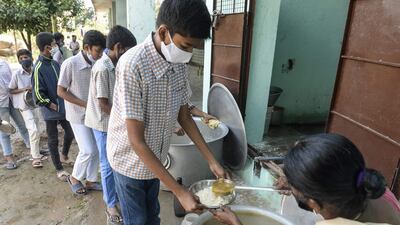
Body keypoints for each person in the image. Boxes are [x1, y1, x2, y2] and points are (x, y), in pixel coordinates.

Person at [106, 0, 228, 224]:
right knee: (138, 220)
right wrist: (179, 191)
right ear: (164, 32)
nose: (188, 54)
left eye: (193, 48)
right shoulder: (132, 65)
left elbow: (184, 116)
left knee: (152, 215)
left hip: (156, 162)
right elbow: (136, 141)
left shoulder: (178, 63)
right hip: (129, 163)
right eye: (185, 46)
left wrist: (212, 161)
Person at [211, 133, 399, 225]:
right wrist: (299, 185)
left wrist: (236, 224)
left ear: (314, 205)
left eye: (296, 193)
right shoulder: (373, 189)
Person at [84, 25, 136, 224]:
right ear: (119, 47)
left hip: (112, 120)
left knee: (116, 162)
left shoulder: (115, 64)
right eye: (128, 51)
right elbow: (103, 104)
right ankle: (111, 204)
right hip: (102, 123)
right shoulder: (103, 68)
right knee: (107, 165)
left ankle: (115, 196)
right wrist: (127, 119)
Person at [58, 30, 106, 195]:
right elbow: (61, 91)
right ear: (86, 47)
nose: (100, 55)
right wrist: (85, 104)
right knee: (88, 150)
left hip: (94, 115)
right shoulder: (70, 64)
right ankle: (75, 178)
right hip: (77, 115)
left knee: (97, 149)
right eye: (97, 51)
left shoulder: (98, 63)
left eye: (102, 51)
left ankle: (91, 180)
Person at [32, 32, 75, 181]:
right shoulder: (38, 68)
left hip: (63, 107)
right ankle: (59, 169)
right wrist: (51, 105)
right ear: (47, 47)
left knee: (70, 133)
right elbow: (37, 94)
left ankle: (64, 156)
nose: (57, 46)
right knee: (53, 139)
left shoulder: (55, 64)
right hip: (50, 110)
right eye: (54, 44)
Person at [9, 49, 45, 168]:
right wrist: (25, 89)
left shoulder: (36, 70)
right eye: (21, 58)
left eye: (26, 57)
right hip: (24, 106)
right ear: (19, 60)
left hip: (35, 103)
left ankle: (37, 151)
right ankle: (35, 157)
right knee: (33, 129)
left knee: (38, 128)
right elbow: (11, 90)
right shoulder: (17, 74)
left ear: (31, 58)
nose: (24, 60)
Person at [0, 59, 30, 169]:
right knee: (4, 130)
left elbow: (11, 80)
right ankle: (9, 157)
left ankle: (32, 147)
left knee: (22, 124)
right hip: (1, 103)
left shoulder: (3, 63)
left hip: (11, 99)